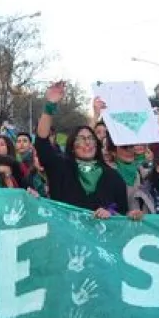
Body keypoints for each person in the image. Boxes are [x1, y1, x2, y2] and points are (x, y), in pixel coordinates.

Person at [35, 81, 128, 217]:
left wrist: (110, 213)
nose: (87, 142)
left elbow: (122, 211)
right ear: (72, 146)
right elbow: (42, 142)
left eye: (90, 138)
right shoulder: (61, 168)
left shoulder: (113, 176)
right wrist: (50, 106)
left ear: (97, 145)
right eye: (81, 139)